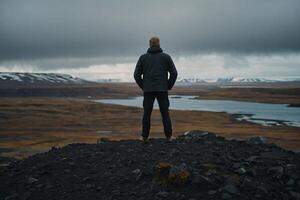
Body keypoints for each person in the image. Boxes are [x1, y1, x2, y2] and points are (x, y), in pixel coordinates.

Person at [134, 36, 178, 142]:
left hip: (148, 90)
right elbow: (174, 73)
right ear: (159, 44)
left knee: (147, 113)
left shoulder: (143, 58)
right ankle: (169, 136)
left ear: (149, 44)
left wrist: (144, 86)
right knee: (165, 113)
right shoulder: (166, 57)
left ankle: (144, 137)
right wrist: (168, 85)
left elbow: (136, 75)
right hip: (162, 90)